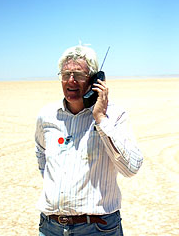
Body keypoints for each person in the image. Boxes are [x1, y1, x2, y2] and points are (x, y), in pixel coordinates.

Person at [35, 45, 143, 236]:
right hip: (50, 228)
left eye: (79, 75)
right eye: (66, 73)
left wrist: (101, 119)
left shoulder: (115, 116)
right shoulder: (47, 116)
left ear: (95, 80)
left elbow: (131, 168)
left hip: (98, 228)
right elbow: (42, 156)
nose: (71, 80)